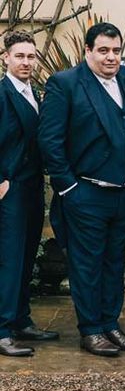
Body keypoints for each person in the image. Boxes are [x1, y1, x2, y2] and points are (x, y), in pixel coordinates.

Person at [38, 22, 125, 357]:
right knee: (87, 264)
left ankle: (111, 323)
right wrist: (68, 187)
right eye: (103, 50)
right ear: (88, 51)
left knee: (115, 261)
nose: (111, 57)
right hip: (86, 193)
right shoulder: (65, 84)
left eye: (116, 50)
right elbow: (50, 140)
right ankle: (91, 329)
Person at [0, 31, 58, 357]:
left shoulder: (34, 92)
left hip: (32, 186)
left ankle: (21, 320)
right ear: (5, 57)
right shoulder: (2, 93)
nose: (26, 62)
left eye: (31, 56)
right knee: (9, 259)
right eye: (19, 56)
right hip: (10, 188)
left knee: (25, 256)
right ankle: (2, 329)